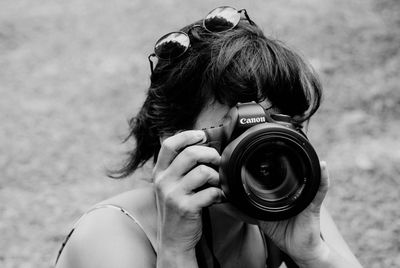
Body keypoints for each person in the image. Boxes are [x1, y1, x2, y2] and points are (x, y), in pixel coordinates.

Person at [55, 6, 363, 268]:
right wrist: (176, 252)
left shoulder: (286, 197)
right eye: (237, 132)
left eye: (275, 125)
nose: (261, 150)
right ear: (172, 138)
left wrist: (315, 255)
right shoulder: (108, 236)